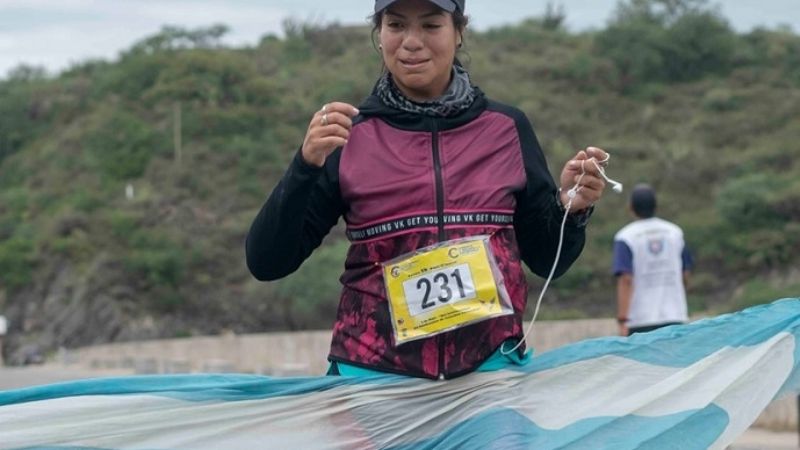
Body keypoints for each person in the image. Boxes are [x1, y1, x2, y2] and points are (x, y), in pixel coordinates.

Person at [246, 0, 611, 380]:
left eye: (431, 26)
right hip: (371, 378)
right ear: (379, 34)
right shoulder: (350, 136)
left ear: (459, 32)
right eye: (397, 25)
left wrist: (571, 207)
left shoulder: (506, 128)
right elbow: (267, 262)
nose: (411, 42)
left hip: (489, 374)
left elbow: (548, 259)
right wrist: (304, 166)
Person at [613, 184, 693, 336]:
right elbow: (685, 273)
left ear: (630, 207)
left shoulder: (625, 237)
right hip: (674, 314)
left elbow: (625, 279)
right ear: (656, 206)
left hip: (640, 319)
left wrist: (623, 319)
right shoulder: (675, 232)